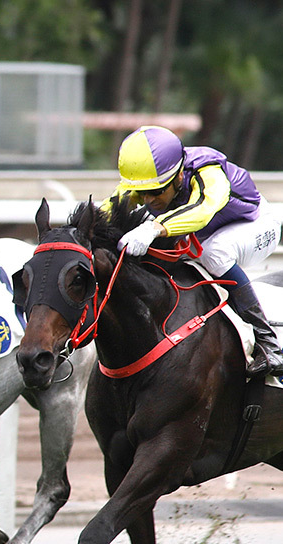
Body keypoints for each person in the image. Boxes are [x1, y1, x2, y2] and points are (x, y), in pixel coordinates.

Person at [114, 125, 283, 377]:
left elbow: (203, 209)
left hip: (256, 225)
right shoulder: (146, 180)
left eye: (157, 191)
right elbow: (108, 211)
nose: (148, 200)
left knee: (213, 251)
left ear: (178, 176)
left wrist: (154, 228)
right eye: (143, 193)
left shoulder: (208, 171)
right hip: (206, 233)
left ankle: (269, 342)